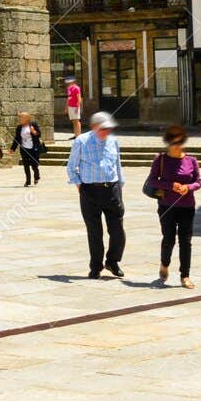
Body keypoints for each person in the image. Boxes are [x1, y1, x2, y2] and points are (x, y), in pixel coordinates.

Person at [66, 110, 126, 278]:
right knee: (94, 231)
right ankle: (95, 266)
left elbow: (117, 164)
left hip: (112, 190)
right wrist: (79, 185)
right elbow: (71, 166)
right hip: (90, 191)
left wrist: (120, 185)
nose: (107, 132)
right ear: (94, 127)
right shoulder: (81, 141)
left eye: (109, 128)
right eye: (103, 128)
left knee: (117, 231)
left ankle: (112, 261)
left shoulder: (113, 141)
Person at [146, 124, 201, 288]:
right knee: (168, 238)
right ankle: (164, 264)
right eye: (173, 143)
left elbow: (198, 182)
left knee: (186, 241)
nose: (176, 146)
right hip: (167, 206)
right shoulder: (160, 159)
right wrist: (171, 185)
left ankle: (185, 275)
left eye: (179, 142)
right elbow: (152, 181)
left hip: (187, 206)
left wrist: (188, 187)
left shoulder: (191, 160)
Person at [13, 111, 45, 186]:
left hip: (34, 148)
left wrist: (34, 132)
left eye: (21, 117)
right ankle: (28, 181)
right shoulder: (19, 128)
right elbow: (16, 139)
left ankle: (36, 176)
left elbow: (39, 134)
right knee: (26, 165)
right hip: (24, 148)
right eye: (19, 117)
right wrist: (12, 149)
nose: (19, 119)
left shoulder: (33, 124)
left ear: (27, 119)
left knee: (34, 165)